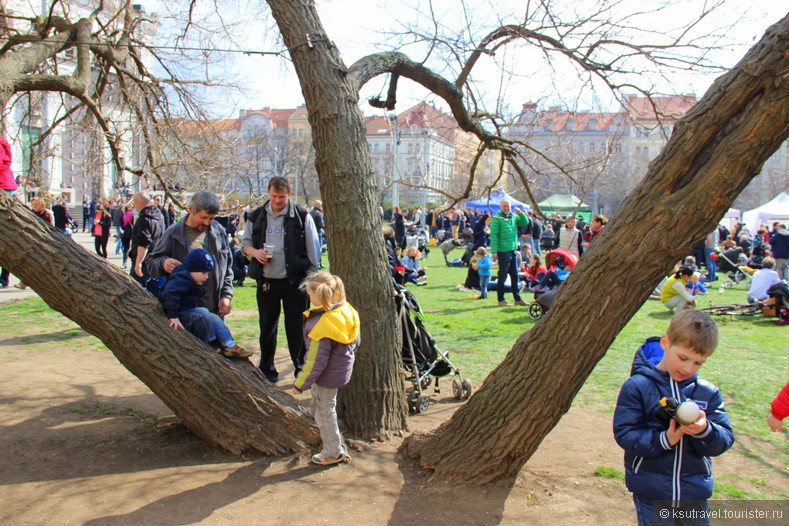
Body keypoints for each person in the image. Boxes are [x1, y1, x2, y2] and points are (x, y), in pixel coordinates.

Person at [613, 310, 735, 525]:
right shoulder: (638, 387)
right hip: (653, 494)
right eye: (683, 358)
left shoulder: (707, 392)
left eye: (698, 363)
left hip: (694, 493)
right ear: (666, 342)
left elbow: (724, 438)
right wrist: (665, 439)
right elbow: (625, 433)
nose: (688, 368)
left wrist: (705, 430)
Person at [242, 176, 320, 383]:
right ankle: (267, 369)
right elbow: (245, 244)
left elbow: (314, 249)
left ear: (289, 194)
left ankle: (300, 368)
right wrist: (254, 253)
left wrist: (312, 281)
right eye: (274, 196)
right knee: (267, 326)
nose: (277, 200)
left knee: (297, 328)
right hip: (267, 282)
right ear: (268, 193)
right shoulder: (256, 216)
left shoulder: (302, 215)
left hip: (295, 282)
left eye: (282, 197)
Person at [292, 272, 359, 465]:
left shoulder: (324, 325)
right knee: (320, 397)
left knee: (326, 410)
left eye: (310, 295)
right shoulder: (346, 310)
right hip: (339, 368)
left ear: (319, 295)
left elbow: (315, 361)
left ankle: (332, 451)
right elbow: (357, 340)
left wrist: (300, 383)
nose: (308, 298)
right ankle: (313, 410)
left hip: (327, 374)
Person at [147, 191, 234, 318]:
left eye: (211, 218)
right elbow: (151, 262)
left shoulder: (218, 230)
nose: (207, 222)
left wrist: (226, 295)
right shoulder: (173, 233)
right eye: (203, 217)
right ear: (189, 210)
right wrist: (163, 263)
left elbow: (227, 266)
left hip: (214, 308)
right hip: (186, 310)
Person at [161, 248, 253, 359]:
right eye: (203, 273)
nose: (206, 277)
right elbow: (170, 293)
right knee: (202, 312)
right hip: (178, 316)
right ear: (192, 269)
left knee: (214, 317)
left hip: (187, 312)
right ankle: (210, 343)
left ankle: (229, 344)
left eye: (207, 273)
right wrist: (173, 316)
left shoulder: (191, 278)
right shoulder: (181, 277)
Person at [490, 199, 530, 306]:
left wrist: (520, 213)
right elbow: (493, 235)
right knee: (502, 276)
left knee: (515, 275)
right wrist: (494, 251)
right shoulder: (497, 218)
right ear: (500, 207)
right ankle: (501, 299)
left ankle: (517, 299)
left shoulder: (513, 216)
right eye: (504, 206)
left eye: (507, 206)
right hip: (503, 251)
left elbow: (525, 222)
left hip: (512, 250)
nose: (506, 208)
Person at [129, 192, 165, 294]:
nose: (133, 205)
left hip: (144, 262)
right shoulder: (159, 215)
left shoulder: (144, 219)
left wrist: (138, 263)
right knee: (153, 290)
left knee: (137, 292)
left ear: (141, 203)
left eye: (134, 203)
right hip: (155, 260)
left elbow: (144, 243)